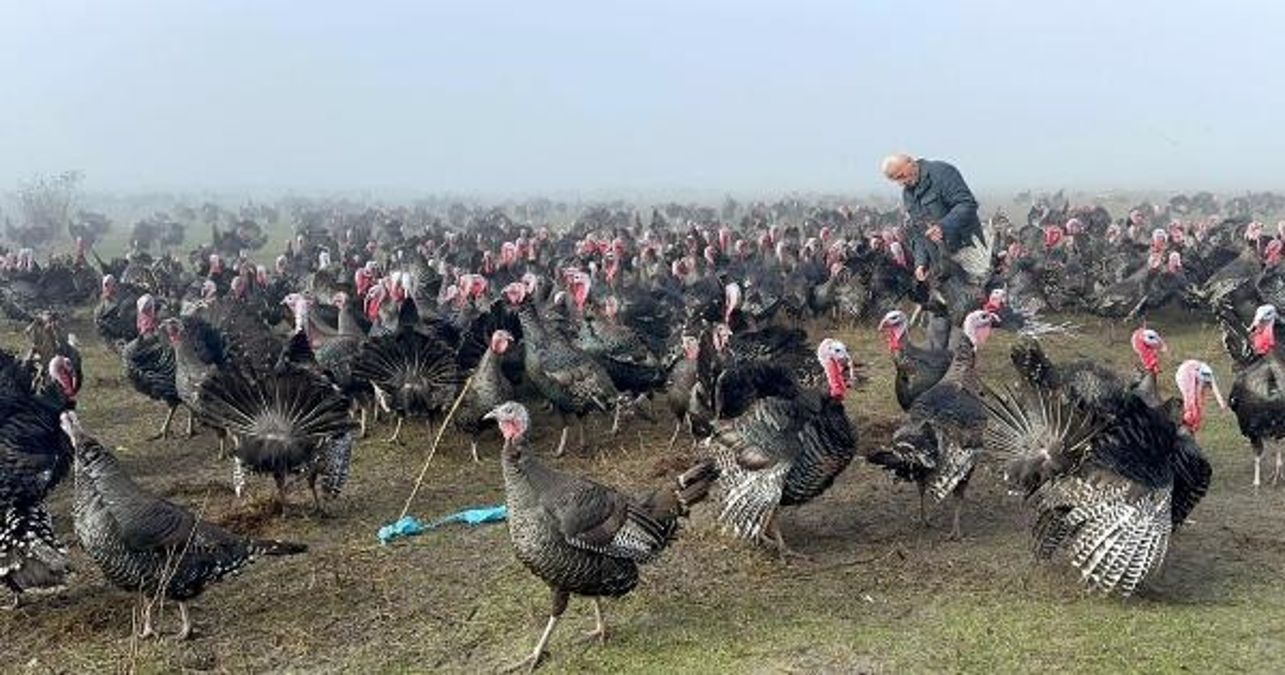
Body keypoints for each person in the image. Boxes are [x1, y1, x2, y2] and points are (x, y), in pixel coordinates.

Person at [881, 154, 981, 281]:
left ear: (910, 162)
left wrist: (943, 226)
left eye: (901, 176)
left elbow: (967, 204)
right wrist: (921, 262)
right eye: (896, 180)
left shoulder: (942, 172)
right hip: (942, 267)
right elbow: (918, 231)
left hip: (968, 255)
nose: (901, 183)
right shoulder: (908, 195)